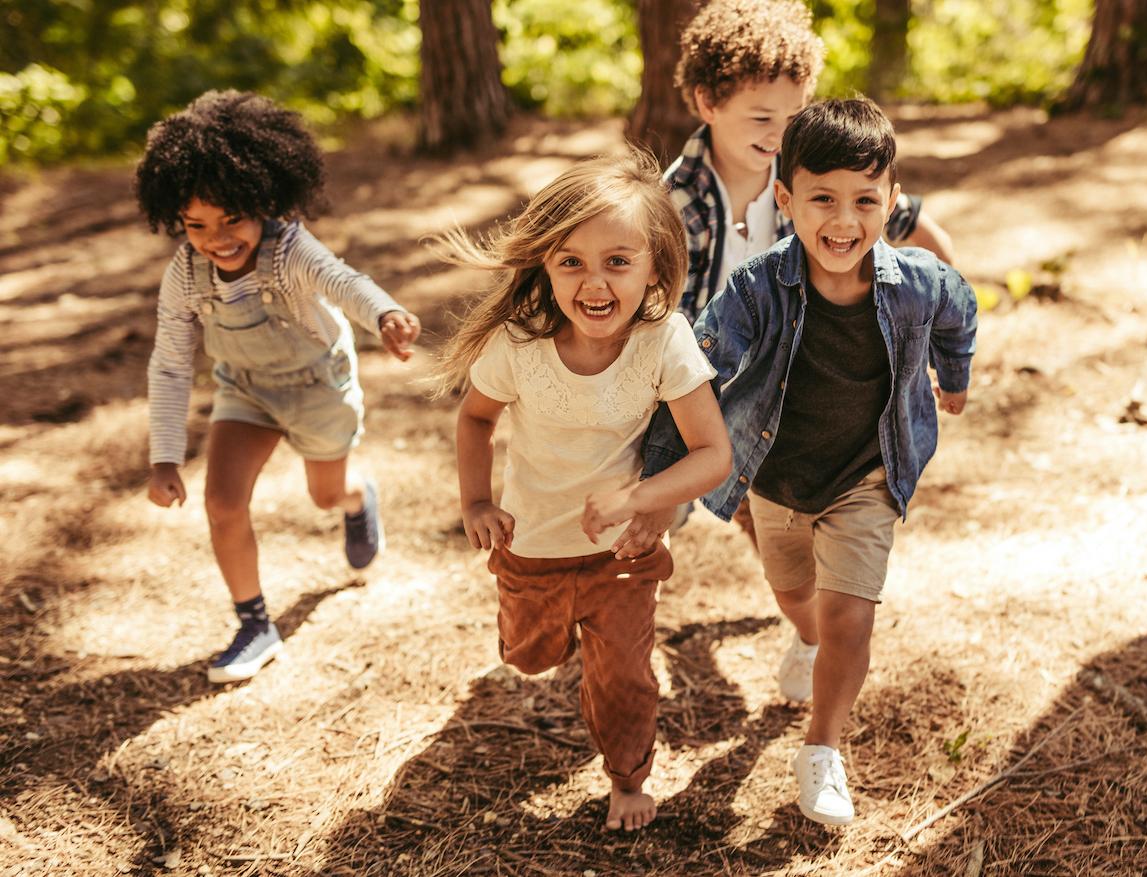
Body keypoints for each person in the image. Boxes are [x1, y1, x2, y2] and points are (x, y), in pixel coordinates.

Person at [642, 98, 978, 825]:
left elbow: (960, 306)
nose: (843, 220)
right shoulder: (756, 289)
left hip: (867, 477)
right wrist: (649, 486)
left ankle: (821, 748)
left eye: (864, 200)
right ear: (786, 199)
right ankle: (801, 636)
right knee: (799, 599)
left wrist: (953, 374)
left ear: (891, 202)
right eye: (821, 198)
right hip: (776, 479)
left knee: (849, 615)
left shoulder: (917, 282)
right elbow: (694, 377)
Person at [438, 151, 731, 831]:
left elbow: (712, 454)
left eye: (617, 262)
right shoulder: (518, 344)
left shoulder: (664, 341)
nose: (593, 282)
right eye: (571, 261)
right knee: (528, 656)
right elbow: (475, 418)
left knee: (623, 673)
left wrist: (640, 501)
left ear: (653, 267)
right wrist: (476, 503)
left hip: (620, 556)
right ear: (543, 264)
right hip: (531, 545)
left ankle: (627, 777)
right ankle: (563, 638)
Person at [136, 90, 421, 684]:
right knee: (222, 503)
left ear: (262, 200)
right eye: (196, 225)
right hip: (246, 389)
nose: (217, 238)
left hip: (318, 384)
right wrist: (164, 455)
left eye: (231, 218)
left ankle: (355, 499)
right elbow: (168, 363)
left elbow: (342, 281)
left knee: (325, 494)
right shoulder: (185, 275)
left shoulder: (289, 247)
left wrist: (385, 315)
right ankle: (255, 623)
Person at [668, 0, 955, 327]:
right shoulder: (676, 203)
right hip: (712, 371)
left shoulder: (812, 169)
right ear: (708, 103)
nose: (780, 134)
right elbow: (670, 328)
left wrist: (942, 333)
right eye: (761, 118)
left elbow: (924, 232)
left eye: (793, 116)